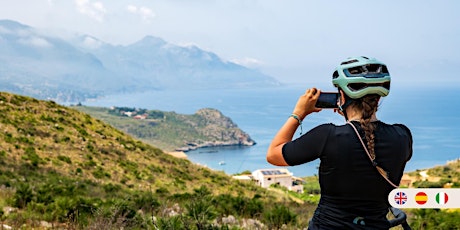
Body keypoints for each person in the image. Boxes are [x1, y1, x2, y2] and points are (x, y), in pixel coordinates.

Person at [266, 56, 413, 229]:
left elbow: (274, 155)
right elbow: (368, 148)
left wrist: (299, 114)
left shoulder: (328, 136)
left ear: (341, 95)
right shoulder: (402, 136)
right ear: (378, 98)